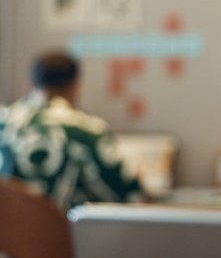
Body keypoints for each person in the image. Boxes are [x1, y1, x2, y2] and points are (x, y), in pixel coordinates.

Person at [0, 50, 142, 210]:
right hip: (62, 233)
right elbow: (128, 195)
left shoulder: (3, 123)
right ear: (75, 87)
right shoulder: (88, 130)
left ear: (30, 85)